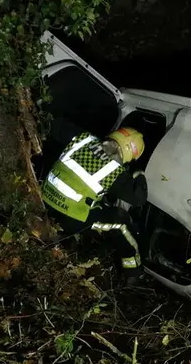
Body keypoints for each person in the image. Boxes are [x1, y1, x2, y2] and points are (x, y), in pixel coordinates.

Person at [40, 120, 148, 283]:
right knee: (122, 223)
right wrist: (139, 174)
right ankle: (134, 273)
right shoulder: (115, 172)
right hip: (69, 218)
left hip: (44, 199)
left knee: (98, 204)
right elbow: (139, 199)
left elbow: (53, 125)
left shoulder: (83, 138)